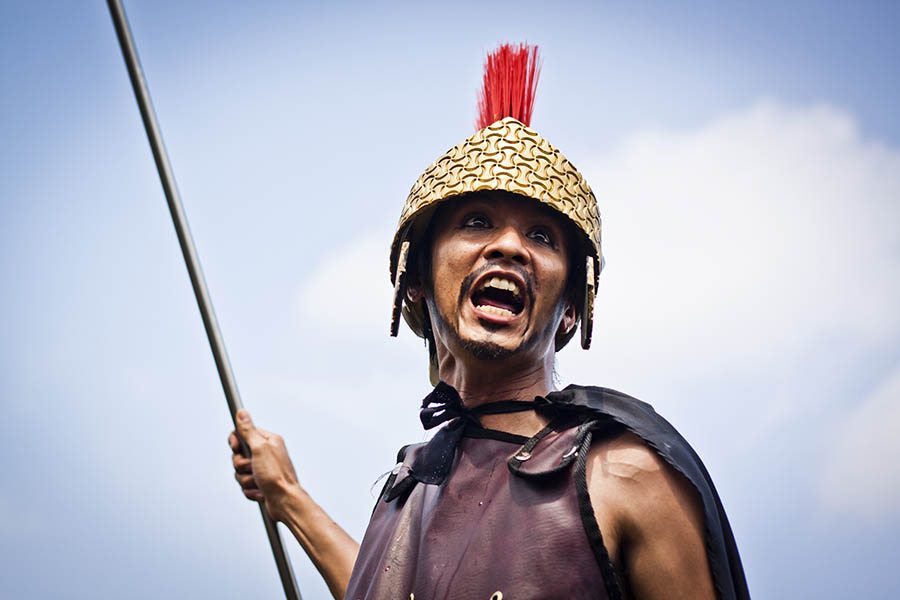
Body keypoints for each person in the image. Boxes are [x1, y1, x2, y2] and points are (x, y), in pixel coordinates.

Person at [229, 44, 749, 600]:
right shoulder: (409, 486)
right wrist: (287, 497)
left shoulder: (625, 475)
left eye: (542, 236)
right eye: (477, 221)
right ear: (419, 281)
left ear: (572, 305)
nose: (508, 246)